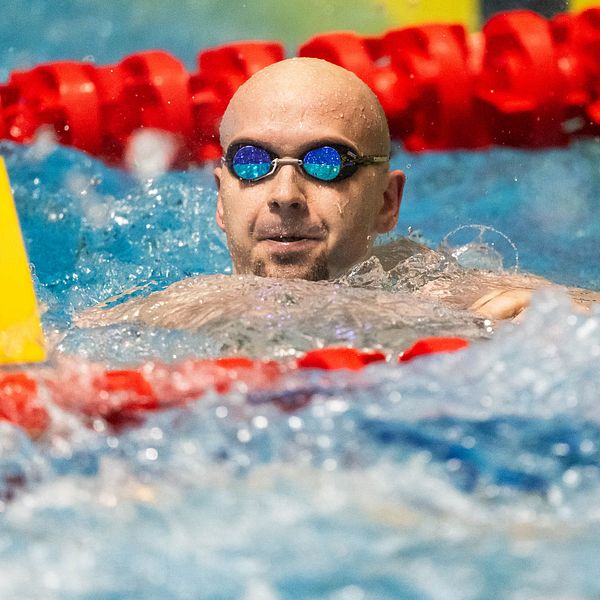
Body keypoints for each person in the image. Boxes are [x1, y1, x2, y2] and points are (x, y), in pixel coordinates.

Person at [78, 57, 598, 329]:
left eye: (326, 163)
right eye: (253, 162)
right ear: (220, 197)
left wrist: (548, 320)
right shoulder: (170, 312)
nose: (285, 194)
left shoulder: (434, 289)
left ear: (387, 204)